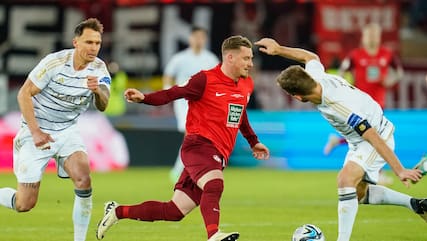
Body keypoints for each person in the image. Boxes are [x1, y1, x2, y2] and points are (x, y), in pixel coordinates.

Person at [96, 35, 269, 241]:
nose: (250, 64)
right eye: (246, 58)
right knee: (214, 184)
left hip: (218, 153)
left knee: (174, 211)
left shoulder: (246, 84)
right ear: (230, 58)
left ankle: (117, 212)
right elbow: (173, 93)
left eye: (251, 59)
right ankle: (213, 235)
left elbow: (239, 114)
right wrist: (144, 98)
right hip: (199, 146)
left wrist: (253, 141)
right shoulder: (204, 79)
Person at [254, 37, 427, 241]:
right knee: (358, 192)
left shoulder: (338, 107)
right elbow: (310, 56)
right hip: (359, 139)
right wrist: (279, 49)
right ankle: (418, 205)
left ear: (298, 97)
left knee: (345, 180)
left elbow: (371, 135)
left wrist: (400, 170)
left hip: (377, 134)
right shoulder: (315, 77)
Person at [0, 18, 111, 241]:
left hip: (67, 131)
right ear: (75, 42)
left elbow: (104, 105)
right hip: (36, 131)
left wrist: (98, 91)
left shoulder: (99, 68)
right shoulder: (54, 63)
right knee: (25, 204)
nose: (93, 48)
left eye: (97, 43)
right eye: (88, 42)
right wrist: (35, 132)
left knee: (83, 179)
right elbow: (24, 94)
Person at [323, 23, 404, 156]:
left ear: (379, 37)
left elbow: (399, 72)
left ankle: (338, 141)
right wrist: (347, 88)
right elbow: (342, 73)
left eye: (374, 35)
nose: (372, 38)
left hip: (378, 101)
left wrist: (390, 81)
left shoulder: (387, 54)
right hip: (360, 101)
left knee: (368, 134)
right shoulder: (355, 55)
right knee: (373, 134)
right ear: (363, 38)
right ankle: (377, 172)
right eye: (369, 35)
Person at [163, 26, 219, 182]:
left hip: (202, 103)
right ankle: (182, 170)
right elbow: (168, 75)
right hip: (183, 102)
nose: (198, 40)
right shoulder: (180, 58)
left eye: (201, 37)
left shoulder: (211, 59)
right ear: (190, 38)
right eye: (196, 36)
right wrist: (168, 93)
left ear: (205, 39)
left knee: (196, 136)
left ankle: (184, 169)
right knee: (191, 134)